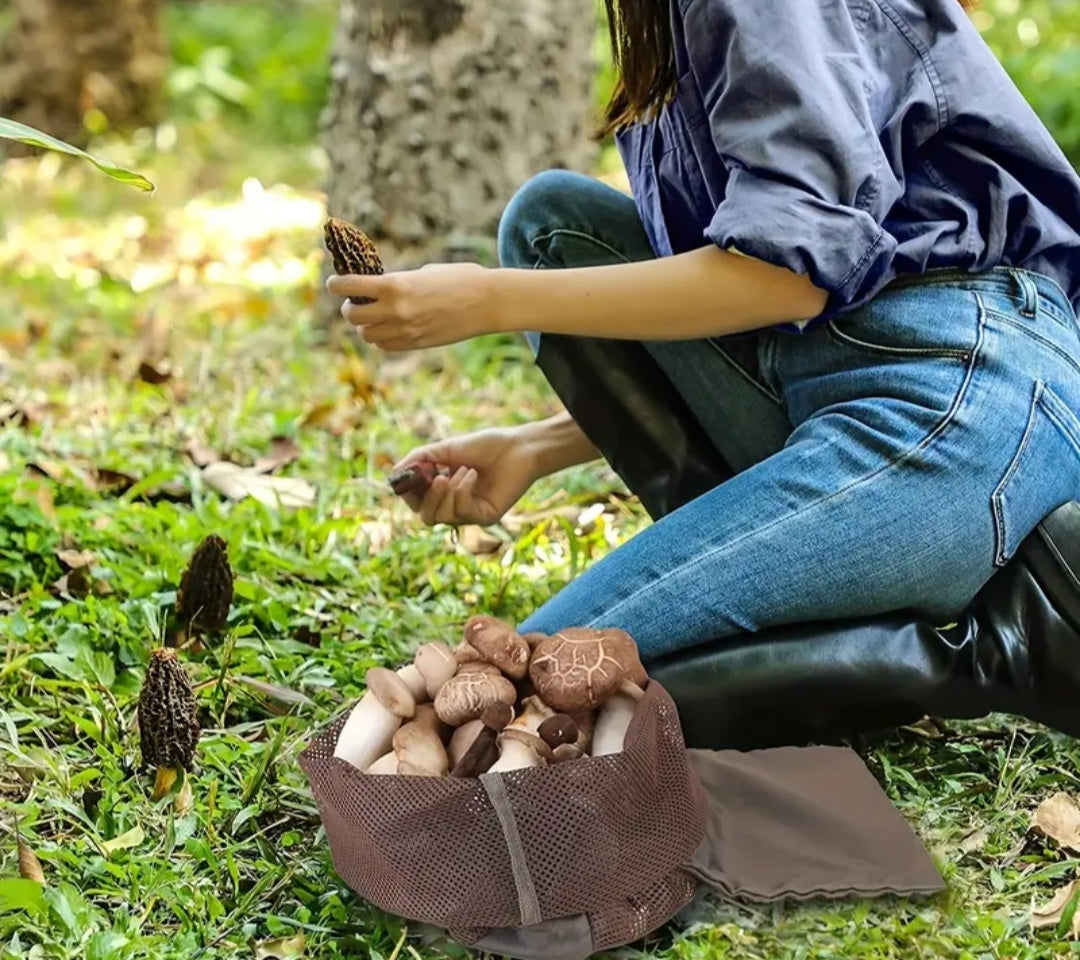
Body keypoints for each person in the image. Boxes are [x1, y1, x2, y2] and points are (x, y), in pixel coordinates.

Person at [327, 0, 1080, 748]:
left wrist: (487, 298)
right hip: (815, 380)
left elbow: (786, 276)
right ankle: (820, 579)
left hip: (960, 392)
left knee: (529, 688)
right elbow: (756, 313)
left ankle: (1009, 640)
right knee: (555, 225)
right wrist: (539, 446)